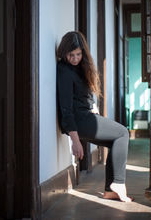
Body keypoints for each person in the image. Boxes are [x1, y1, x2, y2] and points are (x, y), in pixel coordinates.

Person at [56, 31, 132, 202]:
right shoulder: (64, 70)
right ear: (64, 53)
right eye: (71, 55)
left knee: (116, 140)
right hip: (78, 120)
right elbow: (66, 109)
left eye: (78, 54)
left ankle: (111, 190)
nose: (75, 58)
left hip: (85, 115)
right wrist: (75, 141)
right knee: (123, 133)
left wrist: (93, 105)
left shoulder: (79, 67)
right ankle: (118, 183)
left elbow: (85, 93)